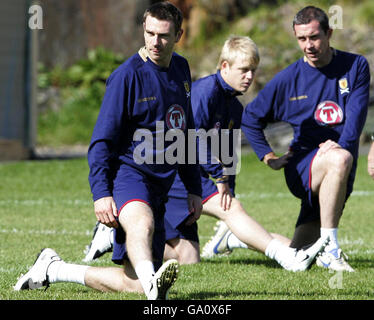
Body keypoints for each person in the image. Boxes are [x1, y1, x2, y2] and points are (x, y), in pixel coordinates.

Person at [84, 35, 329, 272]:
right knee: (232, 209)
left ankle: (118, 236)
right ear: (224, 66)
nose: (249, 77)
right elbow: (191, 138)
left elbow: (227, 156)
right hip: (178, 175)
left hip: (196, 178)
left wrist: (228, 186)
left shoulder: (234, 106)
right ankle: (287, 257)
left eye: (253, 71)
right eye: (243, 69)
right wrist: (219, 178)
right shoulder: (203, 92)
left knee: (189, 257)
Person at [14, 2, 203, 300]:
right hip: (129, 174)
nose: (155, 42)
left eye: (164, 35)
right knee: (143, 223)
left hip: (161, 184)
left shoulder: (181, 68)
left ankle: (53, 269)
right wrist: (101, 193)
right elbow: (102, 141)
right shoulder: (126, 76)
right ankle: (153, 286)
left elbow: (186, 131)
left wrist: (194, 187)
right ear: (143, 29)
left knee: (133, 285)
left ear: (179, 34)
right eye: (150, 33)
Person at [241, 6, 370, 272]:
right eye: (301, 39)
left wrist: (343, 145)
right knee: (340, 159)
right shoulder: (288, 79)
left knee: (299, 255)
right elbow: (250, 118)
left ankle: (237, 236)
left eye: (314, 37)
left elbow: (356, 115)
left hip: (339, 169)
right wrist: (268, 157)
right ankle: (332, 248)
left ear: (329, 32)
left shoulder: (355, 66)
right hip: (302, 167)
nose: (308, 45)